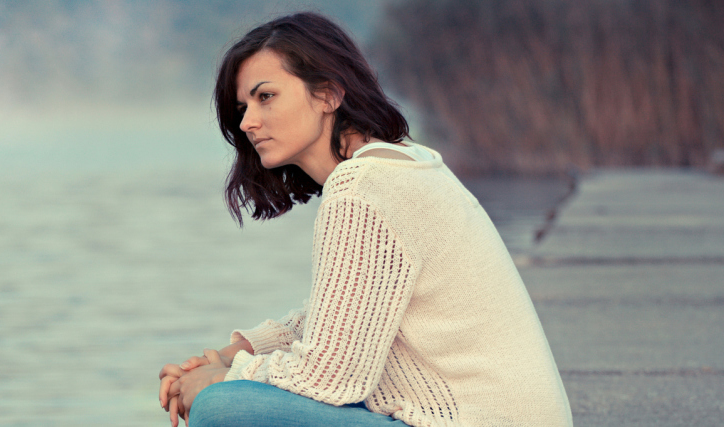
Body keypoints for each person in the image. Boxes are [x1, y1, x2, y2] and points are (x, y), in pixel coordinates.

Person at [156, 12, 573, 427]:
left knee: (224, 407)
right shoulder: (400, 164)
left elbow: (329, 377)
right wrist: (234, 354)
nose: (247, 122)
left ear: (328, 95)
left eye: (266, 97)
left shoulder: (364, 187)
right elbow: (342, 316)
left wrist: (222, 380)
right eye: (243, 107)